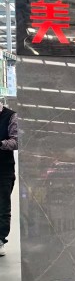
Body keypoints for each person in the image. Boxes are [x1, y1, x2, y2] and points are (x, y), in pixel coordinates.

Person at [0, 103, 18, 257]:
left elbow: (17, 141)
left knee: (2, 207)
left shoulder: (11, 116)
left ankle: (0, 240)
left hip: (4, 170)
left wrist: (0, 143)